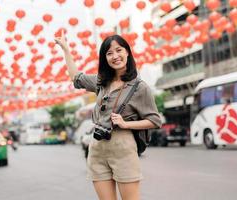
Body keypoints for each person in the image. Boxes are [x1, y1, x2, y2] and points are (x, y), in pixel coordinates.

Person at [55, 31, 161, 200]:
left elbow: (154, 120)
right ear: (105, 58)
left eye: (119, 50)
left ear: (127, 52)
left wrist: (126, 124)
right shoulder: (101, 82)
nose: (115, 56)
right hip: (97, 147)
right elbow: (76, 78)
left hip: (123, 146)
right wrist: (66, 50)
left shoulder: (140, 87)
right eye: (109, 53)